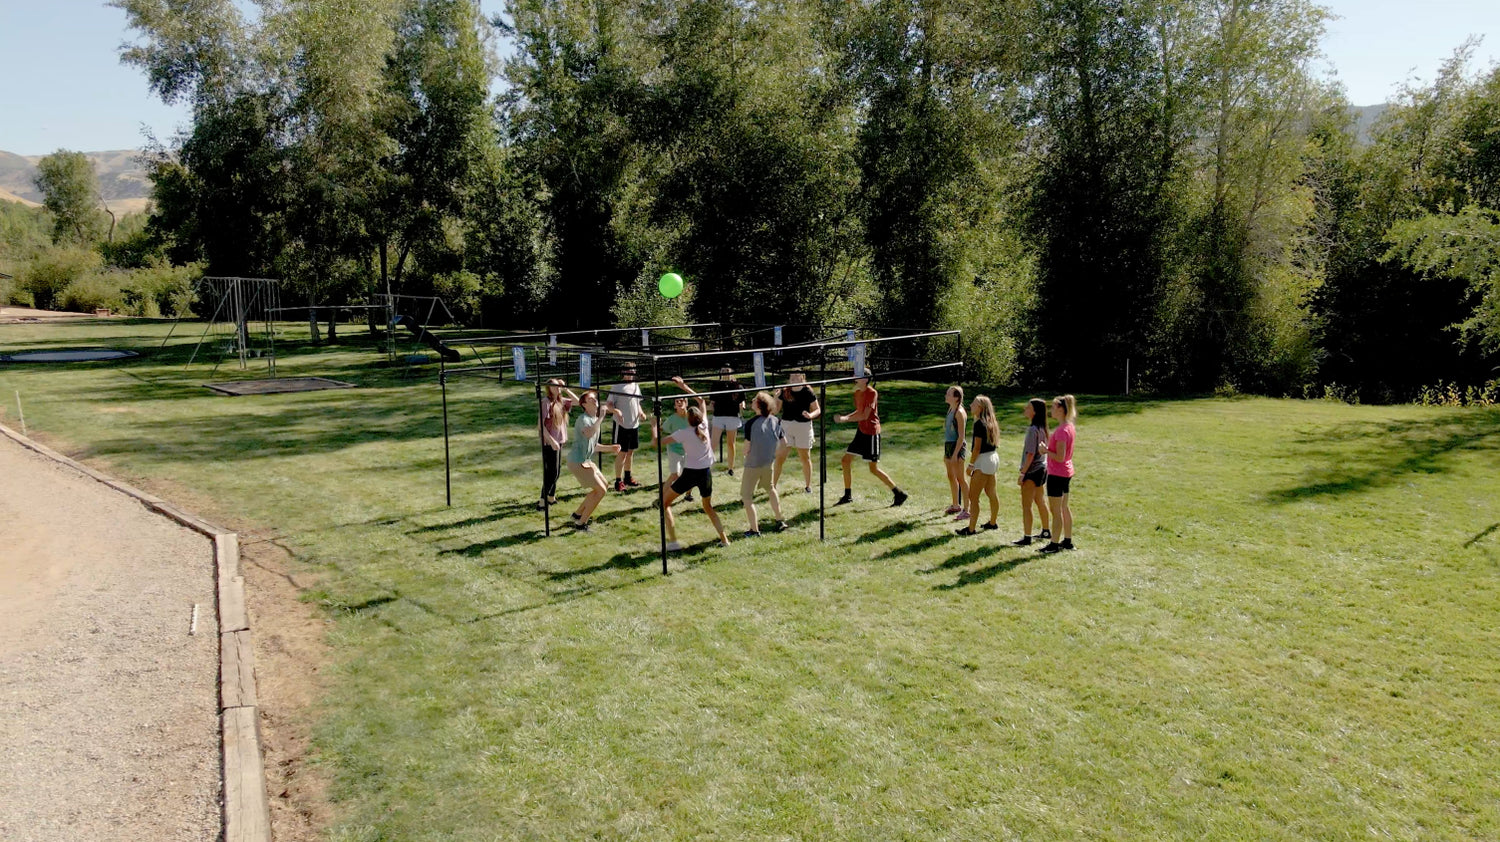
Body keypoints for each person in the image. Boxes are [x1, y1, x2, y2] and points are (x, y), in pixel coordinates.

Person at [661, 376, 729, 550]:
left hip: (691, 474)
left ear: (688, 419)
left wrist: (654, 426)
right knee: (708, 506)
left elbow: (660, 441)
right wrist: (684, 387)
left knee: (665, 503)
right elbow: (701, 400)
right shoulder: (705, 425)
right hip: (705, 473)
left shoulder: (683, 432)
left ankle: (673, 542)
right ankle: (725, 540)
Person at [834, 368, 908, 507]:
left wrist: (845, 419)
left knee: (873, 469)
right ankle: (848, 495)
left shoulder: (871, 393)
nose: (854, 376)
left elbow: (865, 415)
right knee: (845, 461)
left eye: (858, 374)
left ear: (866, 379)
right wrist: (846, 417)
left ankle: (899, 494)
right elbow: (859, 411)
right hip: (861, 432)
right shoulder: (857, 393)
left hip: (871, 433)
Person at [565, 390, 622, 531]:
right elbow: (589, 433)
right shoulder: (583, 419)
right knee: (600, 490)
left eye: (595, 398)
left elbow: (593, 445)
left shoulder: (592, 419)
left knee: (605, 485)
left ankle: (577, 514)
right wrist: (601, 417)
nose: (595, 400)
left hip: (586, 460)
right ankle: (581, 523)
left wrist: (611, 448)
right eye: (590, 399)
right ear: (584, 404)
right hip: (577, 462)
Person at [741, 391, 789, 536]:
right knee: (771, 488)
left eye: (754, 399)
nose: (752, 401)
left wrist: (745, 453)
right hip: (768, 464)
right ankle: (780, 520)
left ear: (758, 405)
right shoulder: (776, 421)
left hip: (752, 465)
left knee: (747, 497)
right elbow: (784, 443)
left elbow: (746, 448)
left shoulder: (750, 424)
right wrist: (773, 455)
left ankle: (754, 530)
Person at [956, 395, 1001, 535]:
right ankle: (993, 522)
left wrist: (970, 465)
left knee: (973, 497)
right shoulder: (990, 421)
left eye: (974, 404)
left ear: (980, 407)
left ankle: (971, 529)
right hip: (993, 458)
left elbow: (977, 448)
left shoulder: (979, 423)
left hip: (982, 461)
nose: (971, 406)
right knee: (991, 492)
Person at [1037, 394, 1077, 553]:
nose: (1051, 410)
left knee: (1056, 510)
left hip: (1057, 474)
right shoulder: (1069, 427)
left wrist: (1045, 450)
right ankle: (1067, 541)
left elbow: (1059, 457)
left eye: (1054, 407)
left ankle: (1054, 544)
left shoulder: (1061, 431)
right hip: (1066, 472)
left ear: (1061, 409)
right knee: (1064, 508)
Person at [1012, 398, 1053, 546]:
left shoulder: (1032, 430)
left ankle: (1027, 536)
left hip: (1032, 470)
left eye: (1028, 407)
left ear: (1034, 412)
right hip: (1042, 468)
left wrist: (1023, 473)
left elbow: (1030, 454)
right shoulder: (1043, 429)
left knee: (1026, 504)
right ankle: (1046, 530)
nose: (1025, 408)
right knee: (1040, 500)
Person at [773, 371, 820, 494]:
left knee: (805, 457)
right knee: (780, 456)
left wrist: (810, 415)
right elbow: (776, 410)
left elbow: (817, 409)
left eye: (796, 376)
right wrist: (775, 397)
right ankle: (773, 485)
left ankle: (808, 486)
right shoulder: (785, 391)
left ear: (802, 378)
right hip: (786, 426)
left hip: (803, 427)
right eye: (791, 376)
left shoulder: (807, 391)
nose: (793, 378)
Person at [606, 362, 649, 492]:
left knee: (630, 452)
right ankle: (618, 481)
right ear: (623, 372)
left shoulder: (636, 386)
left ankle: (628, 477)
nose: (630, 374)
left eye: (632, 371)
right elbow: (609, 405)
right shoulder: (617, 386)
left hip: (634, 424)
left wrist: (641, 412)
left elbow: (637, 402)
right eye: (628, 371)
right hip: (622, 425)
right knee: (622, 453)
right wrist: (616, 411)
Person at [539, 379, 578, 511]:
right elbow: (541, 426)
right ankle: (542, 501)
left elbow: (578, 402)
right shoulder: (546, 403)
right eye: (555, 386)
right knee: (552, 472)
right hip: (550, 442)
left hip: (559, 440)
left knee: (557, 471)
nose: (558, 388)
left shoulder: (560, 401)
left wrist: (566, 388)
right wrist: (551, 441)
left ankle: (551, 497)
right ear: (549, 388)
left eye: (558, 386)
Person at [657, 395, 696, 504]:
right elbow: (661, 429)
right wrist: (655, 424)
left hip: (689, 450)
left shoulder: (691, 417)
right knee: (676, 474)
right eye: (677, 401)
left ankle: (688, 494)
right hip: (674, 449)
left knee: (690, 474)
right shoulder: (672, 419)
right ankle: (662, 498)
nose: (679, 402)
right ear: (675, 405)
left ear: (686, 403)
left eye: (682, 400)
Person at [709, 366, 745, 476]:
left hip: (732, 416)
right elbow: (712, 402)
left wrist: (742, 405)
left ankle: (730, 468)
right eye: (723, 371)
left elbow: (742, 400)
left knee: (731, 443)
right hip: (719, 416)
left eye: (727, 371)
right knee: (713, 443)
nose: (725, 373)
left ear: (731, 373)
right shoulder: (716, 385)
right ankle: (706, 467)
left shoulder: (737, 385)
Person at [942, 386, 969, 520]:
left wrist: (954, 455)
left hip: (957, 447)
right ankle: (955, 504)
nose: (946, 395)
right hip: (949, 445)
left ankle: (967, 509)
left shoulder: (960, 412)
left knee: (960, 478)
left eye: (949, 394)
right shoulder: (951, 409)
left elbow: (961, 437)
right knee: (950, 476)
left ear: (956, 397)